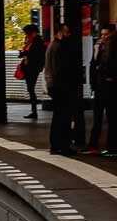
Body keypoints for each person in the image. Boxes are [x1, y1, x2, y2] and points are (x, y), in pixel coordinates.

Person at [45, 22, 82, 156]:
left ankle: (56, 145)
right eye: (66, 32)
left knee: (58, 116)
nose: (69, 35)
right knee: (64, 117)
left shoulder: (52, 46)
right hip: (60, 87)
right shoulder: (59, 48)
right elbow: (60, 69)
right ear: (60, 33)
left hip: (54, 85)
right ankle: (63, 146)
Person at [86, 24, 115, 153]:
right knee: (98, 117)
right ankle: (94, 145)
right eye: (102, 34)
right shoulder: (100, 47)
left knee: (110, 117)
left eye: (106, 34)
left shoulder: (112, 47)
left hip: (107, 86)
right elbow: (93, 65)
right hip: (99, 86)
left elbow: (105, 66)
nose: (103, 37)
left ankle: (110, 147)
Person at [18, 23, 46, 119]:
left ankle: (34, 111)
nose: (26, 35)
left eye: (27, 33)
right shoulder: (32, 40)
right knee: (30, 88)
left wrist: (25, 53)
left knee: (31, 88)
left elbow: (34, 54)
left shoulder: (37, 42)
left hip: (33, 68)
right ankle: (33, 111)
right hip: (30, 67)